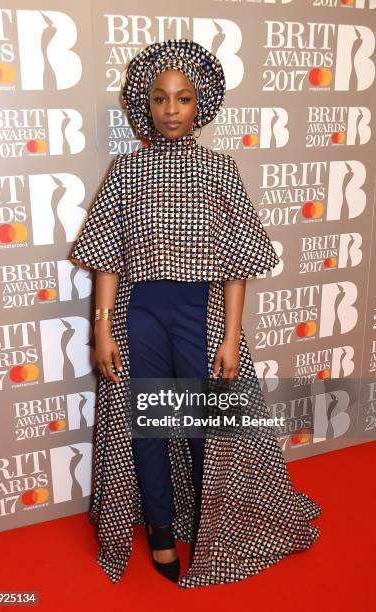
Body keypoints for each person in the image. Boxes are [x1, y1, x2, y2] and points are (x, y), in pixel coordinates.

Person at [69, 39, 322, 588]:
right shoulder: (126, 170)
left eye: (183, 98)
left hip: (200, 313)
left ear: (200, 103)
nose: (171, 110)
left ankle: (215, 523)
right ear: (145, 105)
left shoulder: (220, 169)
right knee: (151, 428)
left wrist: (232, 336)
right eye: (159, 99)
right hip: (141, 316)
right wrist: (102, 325)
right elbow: (106, 257)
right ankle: (160, 529)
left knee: (211, 427)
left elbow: (237, 263)